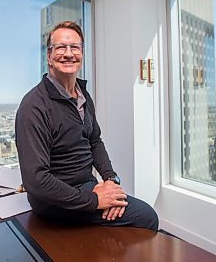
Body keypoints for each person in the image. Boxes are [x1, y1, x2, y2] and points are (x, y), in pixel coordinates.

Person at [15, 21, 158, 231]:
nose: (68, 53)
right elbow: (36, 181)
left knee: (135, 213)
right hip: (53, 200)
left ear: (82, 54)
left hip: (87, 188)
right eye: (61, 47)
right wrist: (94, 201)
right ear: (49, 56)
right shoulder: (34, 105)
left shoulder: (82, 95)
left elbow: (95, 141)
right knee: (146, 218)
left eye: (75, 47)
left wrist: (111, 181)